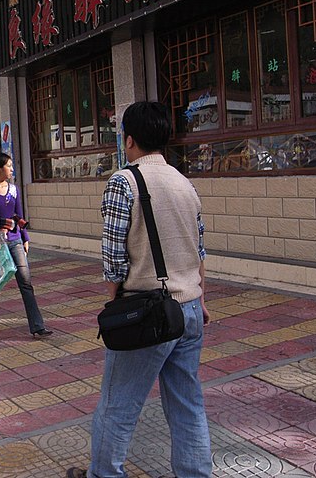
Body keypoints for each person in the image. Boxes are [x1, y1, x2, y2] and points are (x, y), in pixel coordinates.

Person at [66, 102, 211, 478]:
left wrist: (113, 298)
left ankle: (104, 473)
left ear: (129, 140)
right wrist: (200, 296)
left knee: (118, 406)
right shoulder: (185, 182)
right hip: (190, 308)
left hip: (147, 310)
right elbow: (199, 250)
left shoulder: (123, 181)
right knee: (187, 405)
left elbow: (113, 253)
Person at [0, 153, 52, 338]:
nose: (11, 169)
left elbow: (19, 216)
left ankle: (37, 326)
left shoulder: (14, 190)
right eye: (9, 166)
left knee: (26, 282)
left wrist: (25, 238)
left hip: (15, 240)